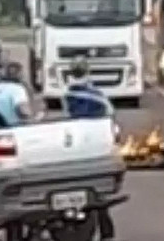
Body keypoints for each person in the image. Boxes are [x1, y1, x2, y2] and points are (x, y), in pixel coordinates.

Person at [63, 57, 116, 241]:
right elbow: (110, 112)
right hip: (96, 144)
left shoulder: (68, 94)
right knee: (98, 191)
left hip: (78, 145)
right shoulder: (95, 93)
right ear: (87, 71)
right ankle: (106, 231)